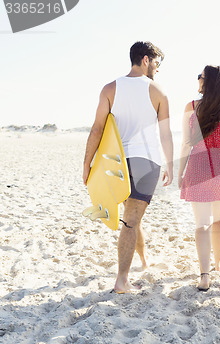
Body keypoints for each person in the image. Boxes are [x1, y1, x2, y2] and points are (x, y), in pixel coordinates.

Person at [83, 41, 174, 293]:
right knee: (132, 218)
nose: (157, 68)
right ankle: (122, 280)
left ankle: (144, 260)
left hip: (117, 162)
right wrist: (170, 164)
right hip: (147, 161)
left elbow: (97, 129)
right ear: (145, 60)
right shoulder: (159, 92)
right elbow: (165, 134)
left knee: (132, 217)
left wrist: (87, 163)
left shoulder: (110, 89)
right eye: (156, 62)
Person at [178, 65, 220, 291]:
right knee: (217, 220)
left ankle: (204, 275)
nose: (198, 80)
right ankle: (219, 263)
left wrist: (180, 172)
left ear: (207, 82)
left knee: (201, 224)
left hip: (198, 165)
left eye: (200, 77)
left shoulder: (192, 107)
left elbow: (186, 142)